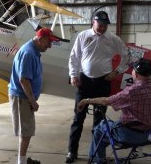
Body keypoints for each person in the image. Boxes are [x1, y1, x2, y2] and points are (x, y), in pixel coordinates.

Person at [66, 10, 130, 163]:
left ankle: (95, 154)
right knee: (78, 119)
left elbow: (127, 55)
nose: (102, 28)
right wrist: (73, 74)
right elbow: (74, 56)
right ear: (93, 22)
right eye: (100, 25)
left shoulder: (113, 39)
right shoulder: (83, 36)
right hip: (84, 82)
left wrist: (117, 72)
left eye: (105, 25)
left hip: (103, 83)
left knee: (100, 121)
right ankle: (71, 152)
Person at [77, 58, 151, 164]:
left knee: (100, 128)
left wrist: (86, 100)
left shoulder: (132, 91)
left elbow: (106, 101)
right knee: (105, 131)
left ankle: (97, 161)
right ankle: (100, 157)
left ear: (136, 72)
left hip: (128, 135)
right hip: (146, 134)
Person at [8, 28, 59, 164]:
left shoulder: (33, 51)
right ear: (40, 39)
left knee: (27, 131)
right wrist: (33, 101)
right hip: (22, 97)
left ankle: (23, 159)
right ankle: (21, 162)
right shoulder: (28, 53)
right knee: (26, 132)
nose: (50, 46)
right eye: (49, 42)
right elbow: (23, 80)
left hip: (25, 97)